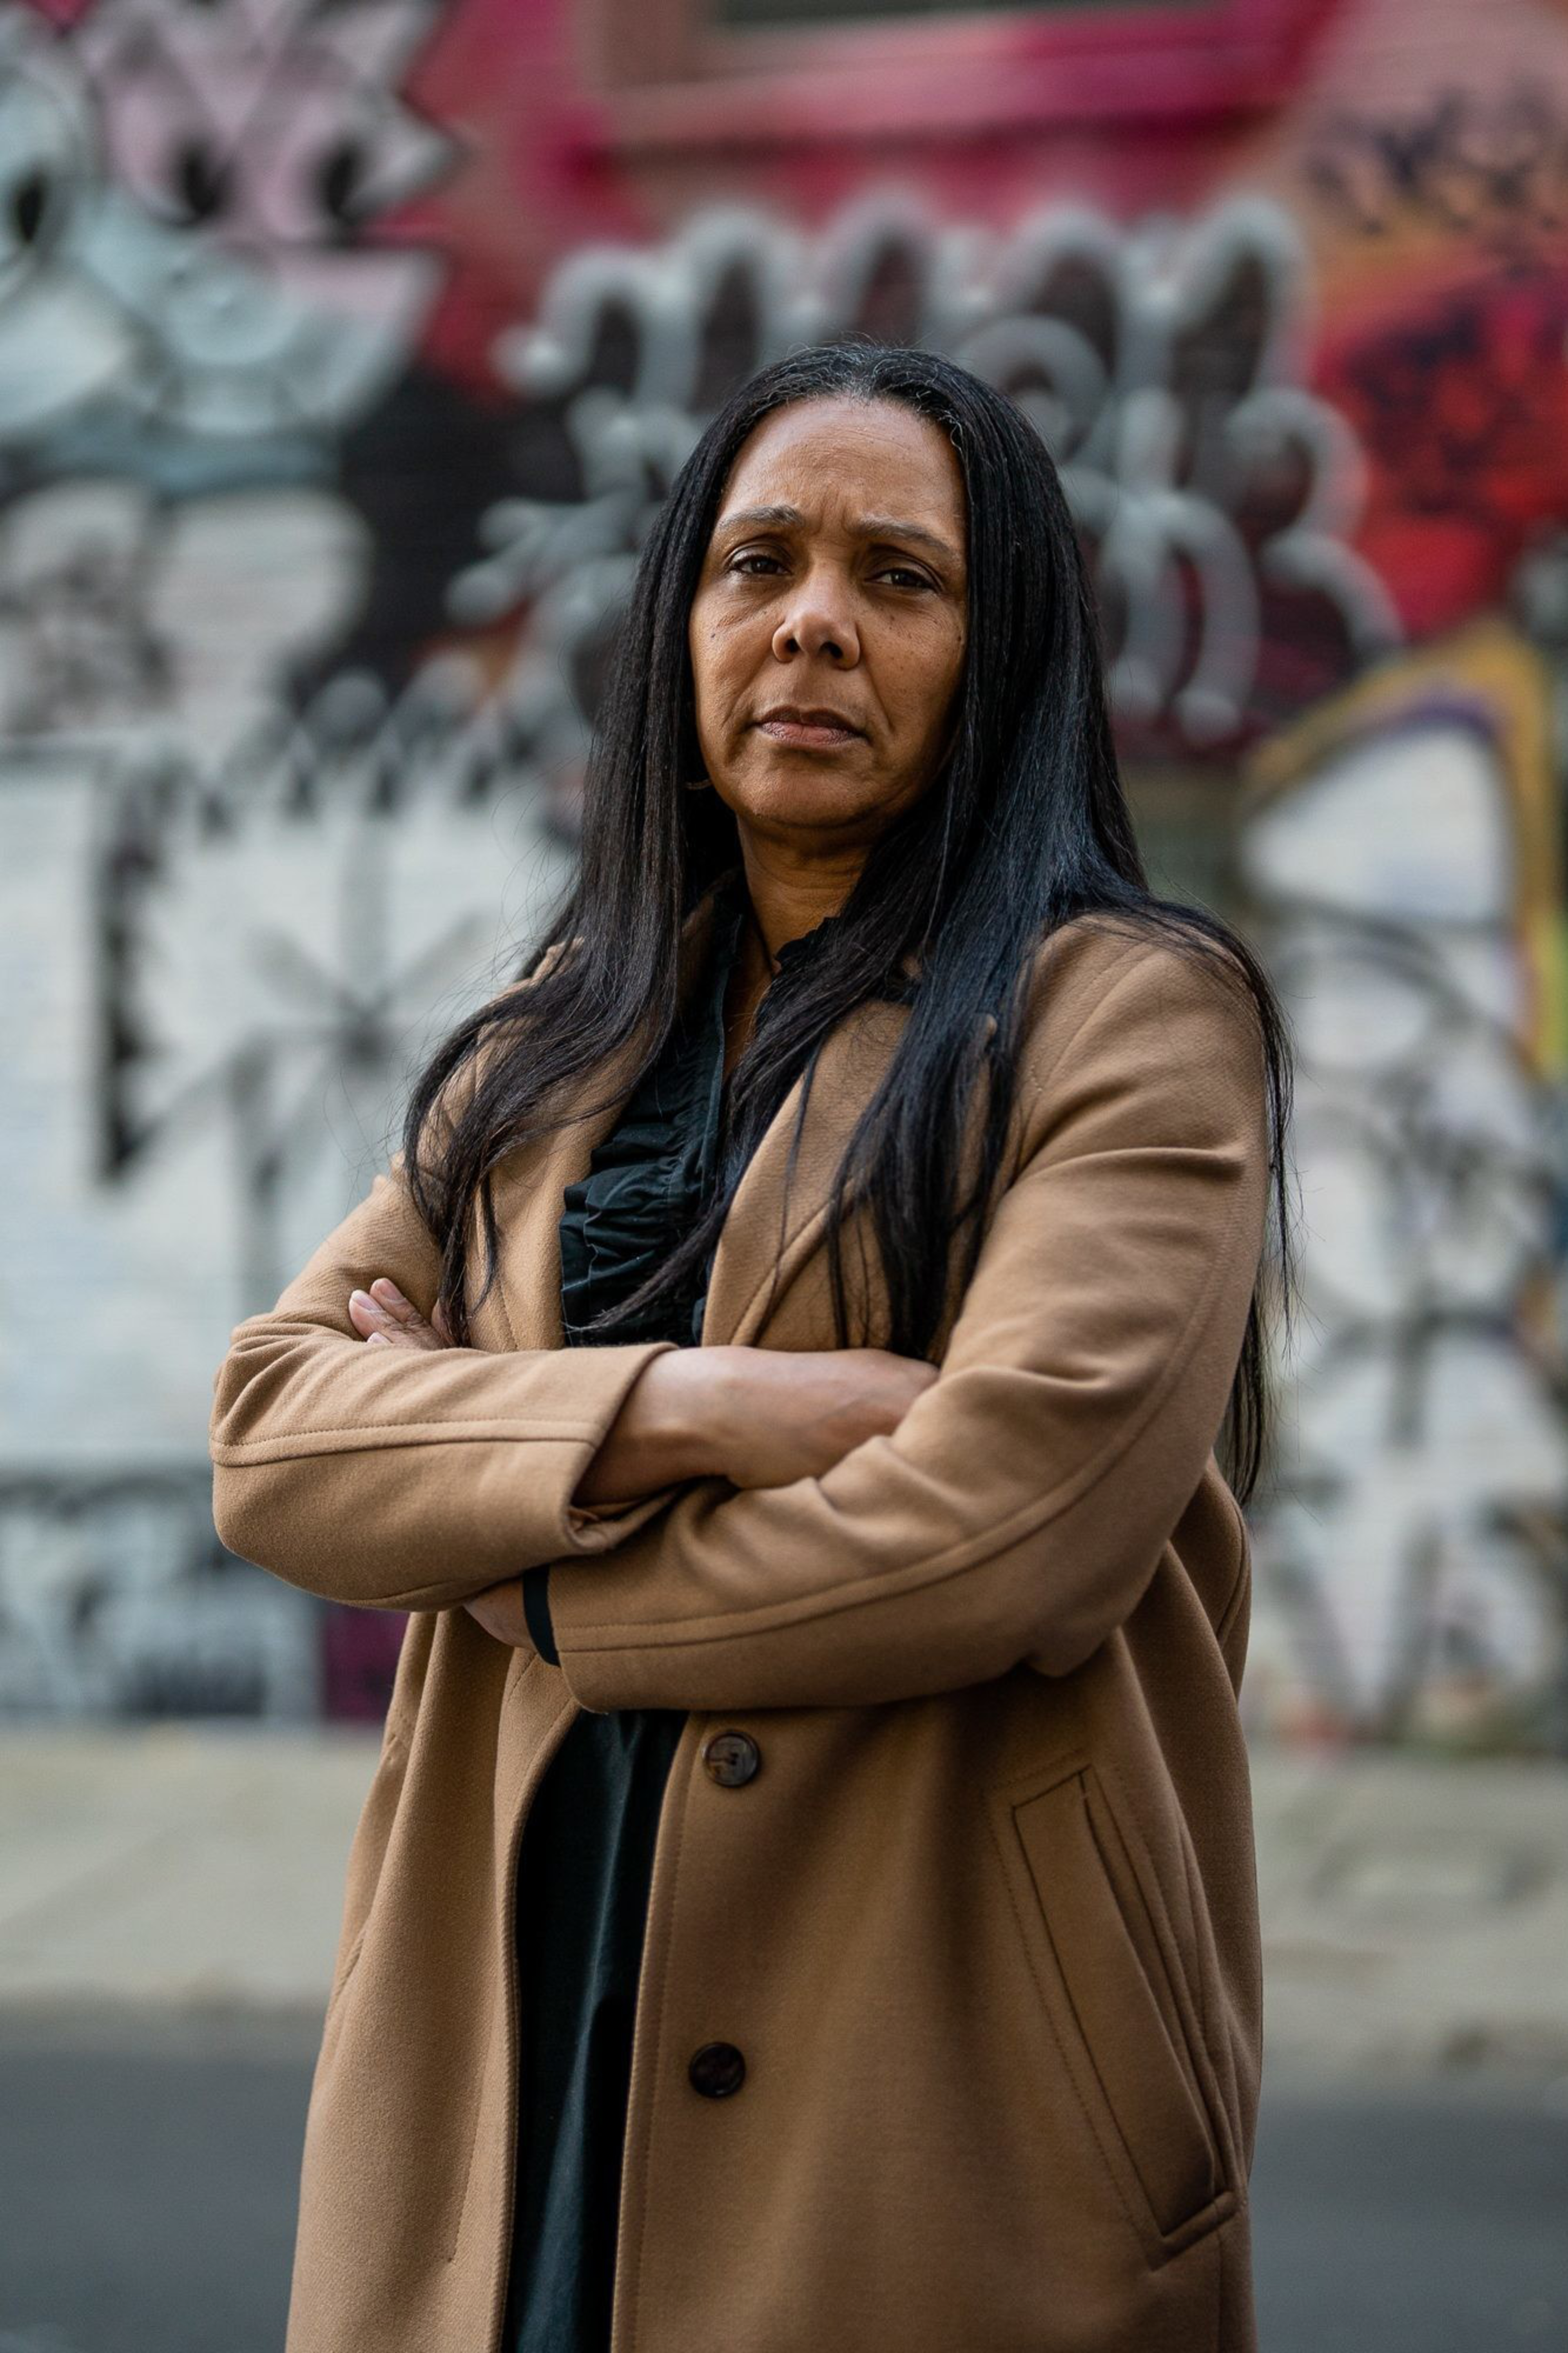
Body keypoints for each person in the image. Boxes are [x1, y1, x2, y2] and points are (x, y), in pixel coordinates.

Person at [209, 340, 1293, 2353]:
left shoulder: (1124, 1019)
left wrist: (504, 1537)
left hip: (938, 2065)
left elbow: (998, 1532)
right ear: (680, 625)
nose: (811, 618)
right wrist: (706, 1405)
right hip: (518, 2011)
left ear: (1002, 656)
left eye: (899, 577)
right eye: (758, 562)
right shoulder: (557, 1036)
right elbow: (275, 1437)